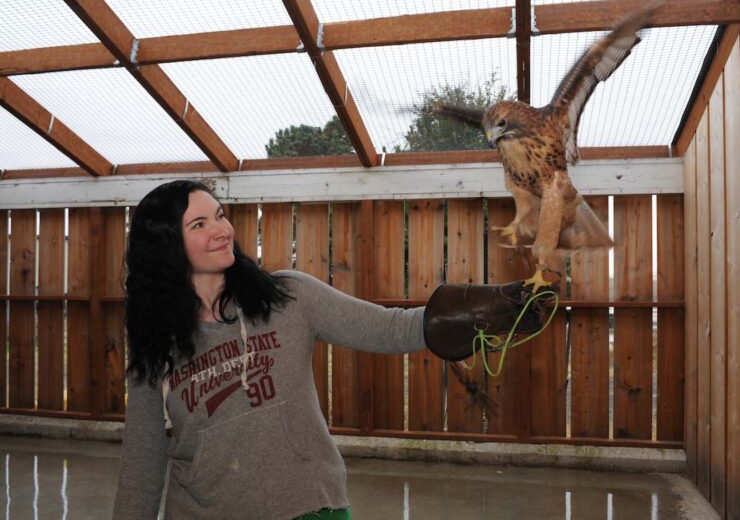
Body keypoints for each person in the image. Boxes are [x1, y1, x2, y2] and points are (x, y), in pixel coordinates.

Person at [113, 179, 553, 520]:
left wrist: (480, 312)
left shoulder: (288, 298)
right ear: (167, 247)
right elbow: (142, 459)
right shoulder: (155, 345)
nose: (222, 230)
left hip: (308, 505)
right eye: (199, 224)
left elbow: (389, 328)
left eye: (221, 215)